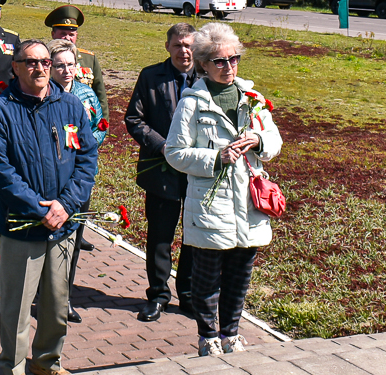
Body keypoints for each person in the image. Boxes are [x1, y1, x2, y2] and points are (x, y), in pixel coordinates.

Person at [0, 39, 98, 375]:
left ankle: (47, 361)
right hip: (22, 226)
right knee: (16, 306)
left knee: (57, 303)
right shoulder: (1, 110)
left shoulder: (71, 105)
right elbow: (0, 169)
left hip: (63, 225)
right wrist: (38, 207)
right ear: (15, 67)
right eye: (31, 62)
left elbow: (87, 159)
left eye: (46, 62)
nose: (41, 68)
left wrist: (66, 205)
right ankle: (13, 370)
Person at [164, 23, 282, 356]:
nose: (228, 67)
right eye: (219, 61)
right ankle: (208, 335)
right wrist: (215, 157)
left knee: (240, 271)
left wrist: (259, 140)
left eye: (234, 59)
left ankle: (231, 332)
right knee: (206, 274)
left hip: (249, 200)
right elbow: (175, 152)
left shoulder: (253, 98)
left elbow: (275, 141)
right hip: (211, 201)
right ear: (203, 63)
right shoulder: (192, 103)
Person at [124, 23, 198, 323]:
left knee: (194, 235)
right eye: (178, 45)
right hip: (161, 168)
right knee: (160, 237)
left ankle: (190, 294)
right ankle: (158, 295)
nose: (184, 51)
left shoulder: (207, 77)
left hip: (197, 171)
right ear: (168, 46)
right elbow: (134, 118)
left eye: (190, 45)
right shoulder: (150, 76)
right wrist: (163, 146)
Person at [47, 38, 106, 325]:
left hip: (78, 178)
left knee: (72, 239)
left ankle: (64, 298)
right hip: (48, 178)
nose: (66, 71)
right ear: (49, 67)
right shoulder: (42, 94)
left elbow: (99, 128)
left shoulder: (86, 96)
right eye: (60, 66)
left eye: (71, 65)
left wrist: (80, 147)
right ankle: (42, 296)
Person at [45, 5, 108, 122]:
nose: (67, 38)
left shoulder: (89, 59)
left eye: (71, 35)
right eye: (63, 33)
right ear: (53, 34)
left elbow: (100, 96)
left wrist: (102, 127)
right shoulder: (44, 58)